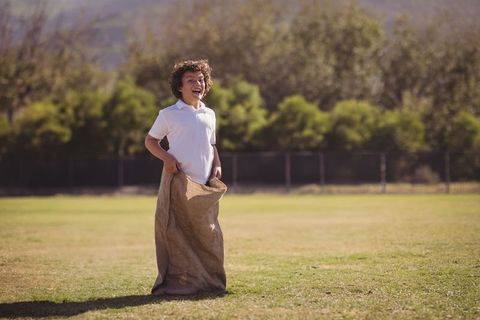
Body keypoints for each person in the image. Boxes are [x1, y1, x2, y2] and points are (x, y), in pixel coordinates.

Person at [145, 59, 227, 296]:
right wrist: (167, 159)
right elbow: (151, 141)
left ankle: (210, 282)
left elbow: (212, 144)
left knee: (208, 236)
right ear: (180, 87)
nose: (197, 84)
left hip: (203, 187)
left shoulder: (209, 114)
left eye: (201, 80)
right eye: (191, 80)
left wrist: (218, 164)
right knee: (177, 236)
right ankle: (179, 284)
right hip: (178, 183)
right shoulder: (169, 114)